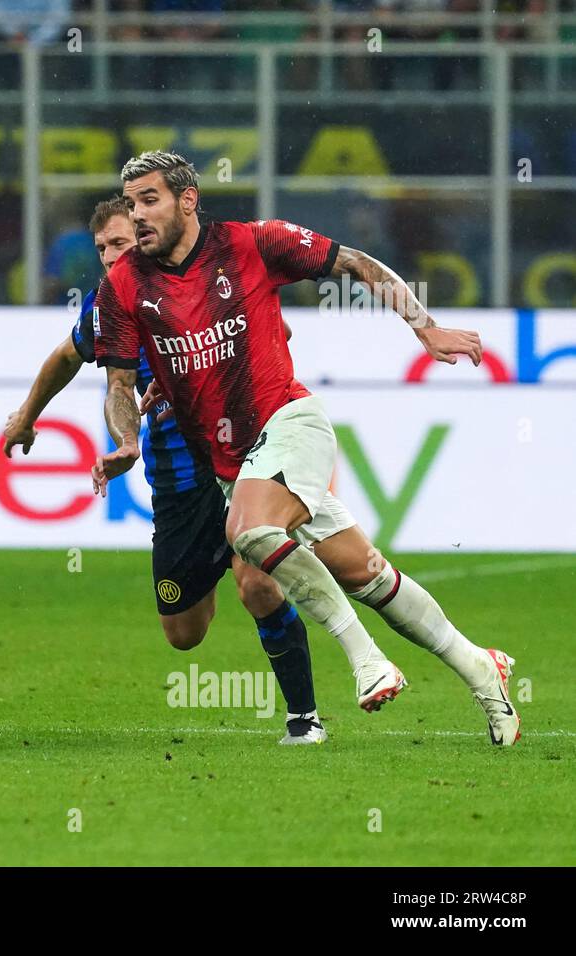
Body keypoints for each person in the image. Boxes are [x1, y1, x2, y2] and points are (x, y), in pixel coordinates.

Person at [90, 150, 520, 746]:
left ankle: (366, 661)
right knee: (365, 573)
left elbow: (357, 263)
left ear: (188, 200)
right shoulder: (123, 285)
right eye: (131, 203)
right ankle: (480, 667)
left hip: (291, 422)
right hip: (232, 463)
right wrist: (126, 441)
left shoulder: (254, 244)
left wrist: (425, 327)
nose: (137, 216)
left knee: (247, 530)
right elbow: (116, 384)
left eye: (150, 201)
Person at [4, 197, 326, 745]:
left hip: (238, 460)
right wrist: (26, 418)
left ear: (149, 237)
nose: (109, 258)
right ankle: (225, 557)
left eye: (120, 245)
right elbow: (68, 359)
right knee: (183, 634)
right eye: (102, 248)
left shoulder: (203, 284)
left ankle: (304, 718)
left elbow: (279, 333)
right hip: (176, 484)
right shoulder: (111, 307)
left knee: (257, 587)